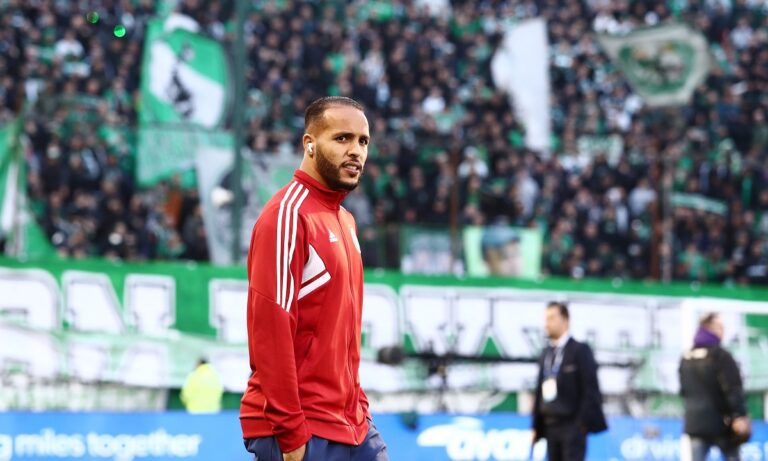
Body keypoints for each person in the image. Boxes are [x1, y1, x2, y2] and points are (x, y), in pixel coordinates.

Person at [240, 96, 388, 461]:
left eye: (363, 141)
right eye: (342, 138)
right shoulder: (287, 216)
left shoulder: (345, 220)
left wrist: (358, 403)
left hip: (352, 423)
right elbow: (270, 328)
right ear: (309, 143)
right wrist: (291, 434)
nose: (356, 151)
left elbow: (342, 335)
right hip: (302, 427)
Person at [532, 302, 607, 461]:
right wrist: (536, 426)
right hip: (550, 425)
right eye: (546, 319)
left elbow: (591, 389)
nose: (547, 323)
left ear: (565, 321)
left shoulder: (580, 350)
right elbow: (539, 392)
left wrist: (580, 424)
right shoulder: (546, 354)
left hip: (572, 425)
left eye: (552, 318)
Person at [679, 313, 751, 461]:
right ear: (710, 328)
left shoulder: (686, 357)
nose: (723, 331)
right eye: (721, 327)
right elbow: (733, 388)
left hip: (695, 423)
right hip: (722, 424)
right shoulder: (721, 356)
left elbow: (684, 391)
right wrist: (739, 415)